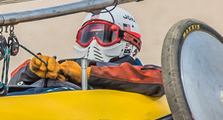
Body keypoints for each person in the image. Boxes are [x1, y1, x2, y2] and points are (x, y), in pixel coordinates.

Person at [10, 6, 163, 97]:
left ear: (129, 42)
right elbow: (12, 83)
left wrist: (88, 74)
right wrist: (31, 71)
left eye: (104, 36)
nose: (93, 43)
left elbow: (162, 79)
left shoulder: (137, 72)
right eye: (87, 36)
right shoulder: (68, 66)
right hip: (34, 98)